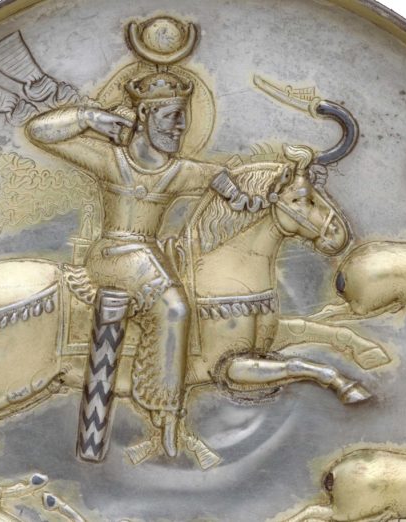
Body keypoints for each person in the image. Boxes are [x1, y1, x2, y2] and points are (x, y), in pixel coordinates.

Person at [26, 72, 265, 459]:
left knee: (171, 286)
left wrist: (246, 198)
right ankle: (164, 412)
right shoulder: (110, 160)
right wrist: (89, 118)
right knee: (174, 308)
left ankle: (168, 415)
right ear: (144, 115)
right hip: (112, 256)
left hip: (147, 257)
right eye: (172, 116)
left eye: (184, 116)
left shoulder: (178, 172)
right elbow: (39, 132)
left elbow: (219, 177)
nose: (181, 126)